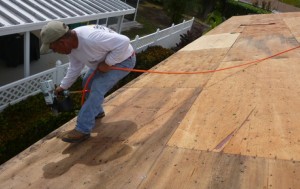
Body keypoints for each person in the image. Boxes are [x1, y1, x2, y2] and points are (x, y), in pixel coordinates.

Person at [40, 20, 136, 143]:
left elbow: (124, 41)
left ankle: (82, 129)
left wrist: (108, 62)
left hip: (123, 60)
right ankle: (97, 112)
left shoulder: (91, 38)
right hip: (101, 62)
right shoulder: (72, 47)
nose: (55, 52)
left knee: (97, 88)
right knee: (86, 84)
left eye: (54, 48)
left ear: (62, 42)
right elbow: (75, 67)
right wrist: (63, 87)